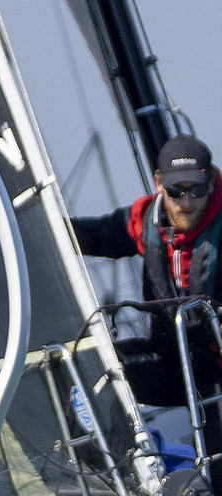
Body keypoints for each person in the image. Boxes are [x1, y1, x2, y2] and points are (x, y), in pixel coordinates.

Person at [72, 134, 222, 413]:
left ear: (212, 182)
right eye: (177, 191)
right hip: (174, 363)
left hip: (216, 371)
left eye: (197, 191)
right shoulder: (143, 221)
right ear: (159, 184)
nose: (187, 203)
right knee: (94, 366)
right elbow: (91, 235)